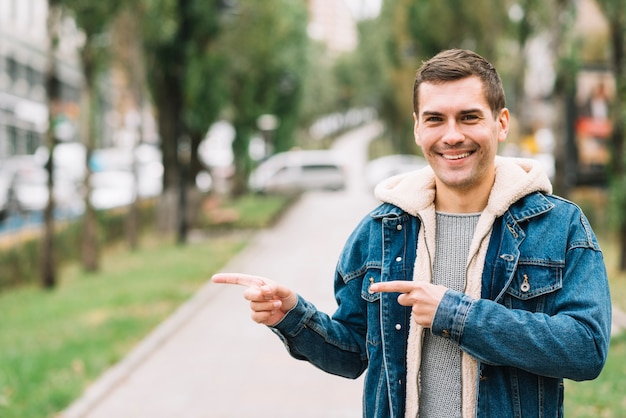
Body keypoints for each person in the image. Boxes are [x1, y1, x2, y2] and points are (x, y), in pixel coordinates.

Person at [212, 49, 612, 418]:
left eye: (469, 117)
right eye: (436, 119)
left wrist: (457, 316)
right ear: (418, 129)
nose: (452, 135)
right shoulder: (380, 230)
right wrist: (292, 315)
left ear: (501, 123)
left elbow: (587, 348)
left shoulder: (558, 225)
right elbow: (352, 352)